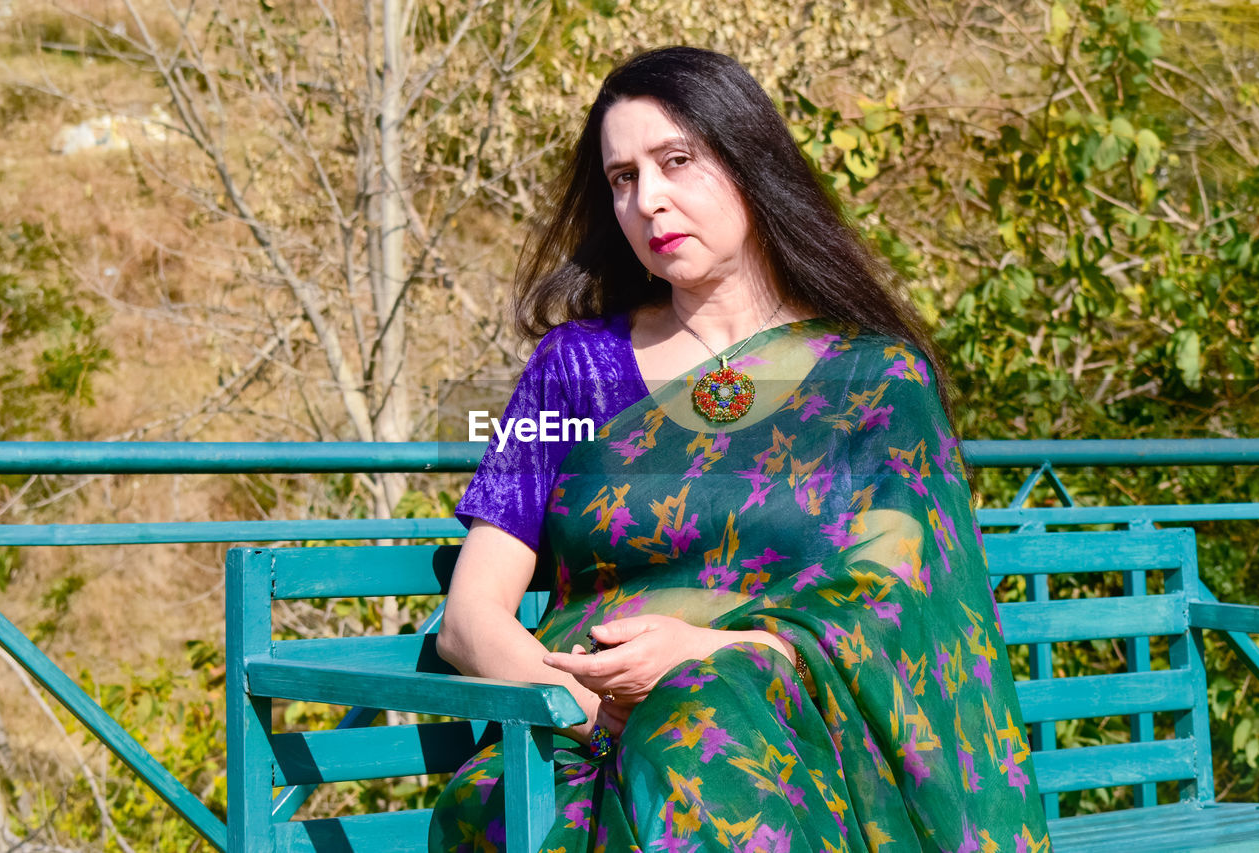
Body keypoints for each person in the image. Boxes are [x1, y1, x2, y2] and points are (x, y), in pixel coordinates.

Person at [432, 46, 1051, 852]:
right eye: (623, 177)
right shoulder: (574, 369)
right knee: (683, 756)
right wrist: (589, 708)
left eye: (676, 160)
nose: (648, 200)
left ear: (749, 163)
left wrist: (709, 656)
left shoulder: (872, 380)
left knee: (707, 736)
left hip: (798, 758)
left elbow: (908, 615)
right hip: (571, 755)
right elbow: (469, 619)